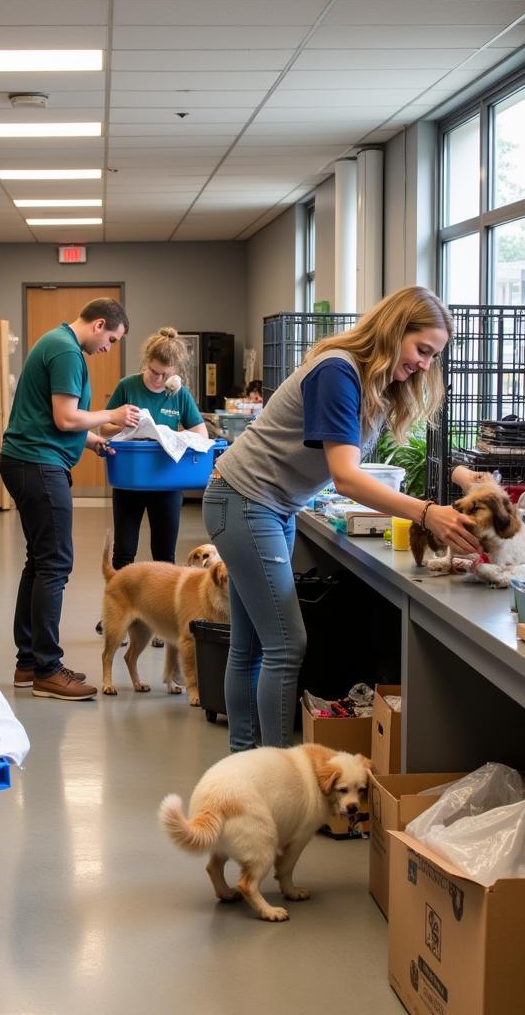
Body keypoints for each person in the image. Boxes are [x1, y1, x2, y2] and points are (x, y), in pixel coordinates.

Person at [203, 286, 481, 753]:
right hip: (246, 501)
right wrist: (427, 513)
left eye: (435, 356)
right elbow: (347, 478)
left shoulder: (370, 380)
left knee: (252, 646)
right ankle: (275, 777)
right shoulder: (338, 372)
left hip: (269, 505)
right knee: (285, 646)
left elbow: (388, 457)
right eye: (422, 350)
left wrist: (456, 474)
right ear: (395, 331)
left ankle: (244, 763)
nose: (426, 365)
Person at [0, 298, 140, 701]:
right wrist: (111, 416)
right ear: (99, 324)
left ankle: (29, 662)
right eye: (111, 339)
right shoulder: (65, 350)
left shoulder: (56, 342)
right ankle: (47, 669)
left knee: (40, 561)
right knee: (56, 563)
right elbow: (65, 417)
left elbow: (54, 418)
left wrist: (91, 440)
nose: (108, 349)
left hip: (27, 460)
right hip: (38, 464)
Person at [97, 327, 208, 647]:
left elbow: (199, 433)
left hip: (166, 483)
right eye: (155, 372)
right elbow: (104, 425)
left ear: (174, 372)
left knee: (164, 554)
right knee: (125, 552)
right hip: (131, 481)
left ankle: (162, 620)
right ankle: (117, 613)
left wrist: (171, 433)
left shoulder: (178, 394)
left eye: (165, 375)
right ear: (147, 363)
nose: (158, 380)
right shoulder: (127, 387)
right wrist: (122, 421)